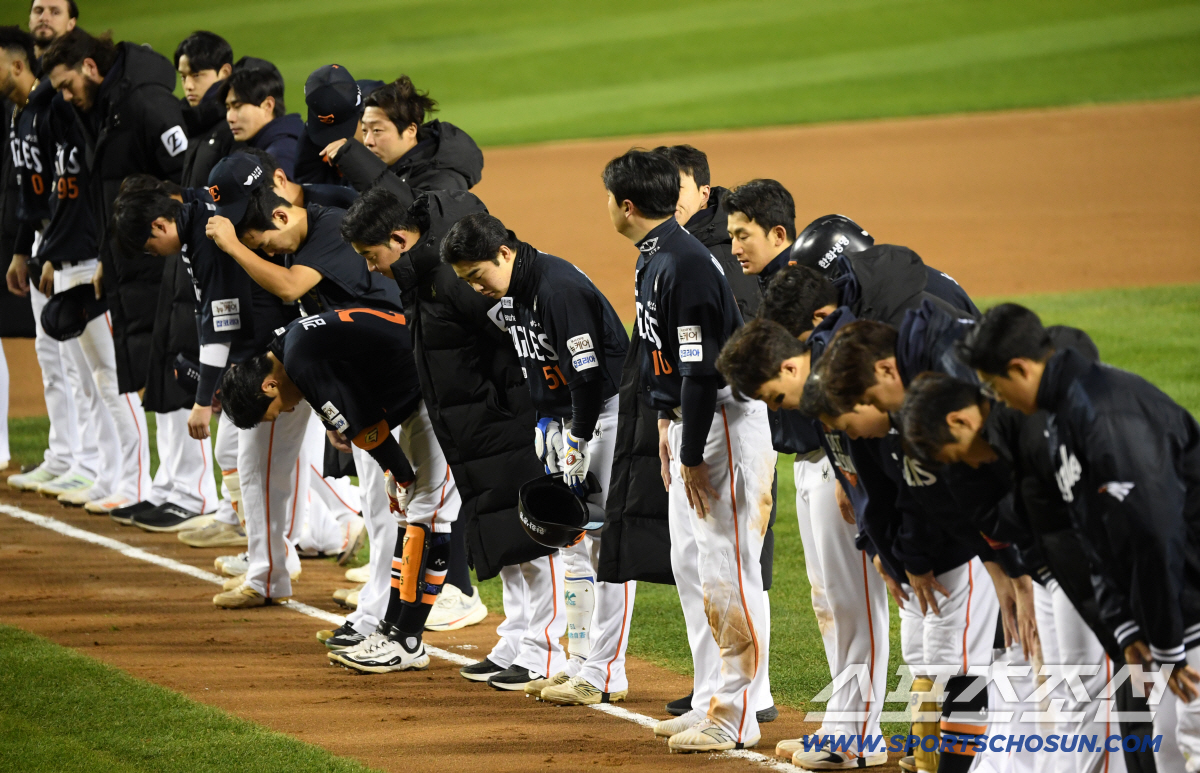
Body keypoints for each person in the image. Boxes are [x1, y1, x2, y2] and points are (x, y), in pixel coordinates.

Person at [960, 303, 1200, 764]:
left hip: (1190, 610)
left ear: (1020, 368)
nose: (999, 403)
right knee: (1171, 752)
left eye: (996, 387)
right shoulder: (1063, 415)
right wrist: (1125, 623)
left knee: (1190, 748)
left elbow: (1152, 534)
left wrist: (1169, 645)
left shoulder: (1106, 415)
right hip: (1172, 612)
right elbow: (1094, 534)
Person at [339, 186, 558, 669]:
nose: (370, 268)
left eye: (371, 255)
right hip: (470, 425)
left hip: (502, 421)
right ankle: (519, 641)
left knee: (529, 536)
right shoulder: (422, 273)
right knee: (503, 535)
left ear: (398, 239)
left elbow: (518, 336)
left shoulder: (450, 275)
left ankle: (546, 651)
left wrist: (510, 406)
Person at [603, 148, 775, 753]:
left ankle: (738, 712)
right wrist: (664, 421)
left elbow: (703, 372)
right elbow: (666, 360)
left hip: (720, 423)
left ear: (626, 206)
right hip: (688, 422)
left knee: (729, 570)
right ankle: (710, 696)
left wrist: (694, 451)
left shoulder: (686, 264)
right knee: (692, 564)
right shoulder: (654, 257)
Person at [900, 363, 1151, 773]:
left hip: (1109, 577)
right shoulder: (999, 453)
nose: (955, 466)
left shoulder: (1036, 440)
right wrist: (1027, 580)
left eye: (951, 455)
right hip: (1053, 573)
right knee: (1068, 699)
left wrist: (1114, 621)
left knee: (1100, 701)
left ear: (961, 419)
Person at [442, 211, 638, 704]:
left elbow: (590, 378)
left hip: (602, 417)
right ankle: (577, 660)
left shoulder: (556, 290)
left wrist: (580, 435)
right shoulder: (515, 291)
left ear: (504, 253)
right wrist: (546, 421)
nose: (475, 287)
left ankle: (605, 671)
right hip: (563, 421)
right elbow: (538, 363)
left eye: (477, 275)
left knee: (603, 545)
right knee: (571, 547)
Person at [199, 154, 402, 610]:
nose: (265, 253)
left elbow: (291, 289)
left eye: (262, 244)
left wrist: (235, 246)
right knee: (263, 463)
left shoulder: (333, 227)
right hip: (328, 365)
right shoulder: (288, 238)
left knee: (389, 490)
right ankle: (359, 593)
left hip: (388, 371)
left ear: (279, 210)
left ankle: (391, 600)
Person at [220, 308, 458, 673]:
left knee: (424, 509)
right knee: (409, 512)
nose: (285, 412)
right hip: (419, 378)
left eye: (275, 410)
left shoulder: (298, 360)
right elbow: (337, 386)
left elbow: (368, 431)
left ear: (268, 385)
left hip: (436, 378)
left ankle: (407, 640)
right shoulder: (285, 345)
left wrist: (401, 477)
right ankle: (394, 629)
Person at [5, 1, 90, 496]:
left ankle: (90, 460)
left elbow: (70, 183)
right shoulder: (20, 110)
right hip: (43, 238)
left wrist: (52, 247)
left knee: (80, 360)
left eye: (53, 9)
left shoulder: (58, 107)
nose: (42, 16)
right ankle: (65, 453)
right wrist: (26, 247)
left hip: (68, 239)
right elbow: (29, 190)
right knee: (51, 352)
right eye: (37, 8)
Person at [315, 75, 483, 209]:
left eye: (377, 131)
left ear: (410, 130)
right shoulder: (398, 165)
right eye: (365, 131)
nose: (368, 141)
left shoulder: (444, 178)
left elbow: (417, 219)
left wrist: (357, 162)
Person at [217, 65, 302, 179]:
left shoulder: (280, 155)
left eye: (237, 106)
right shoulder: (274, 146)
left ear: (267, 106)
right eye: (228, 108)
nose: (230, 118)